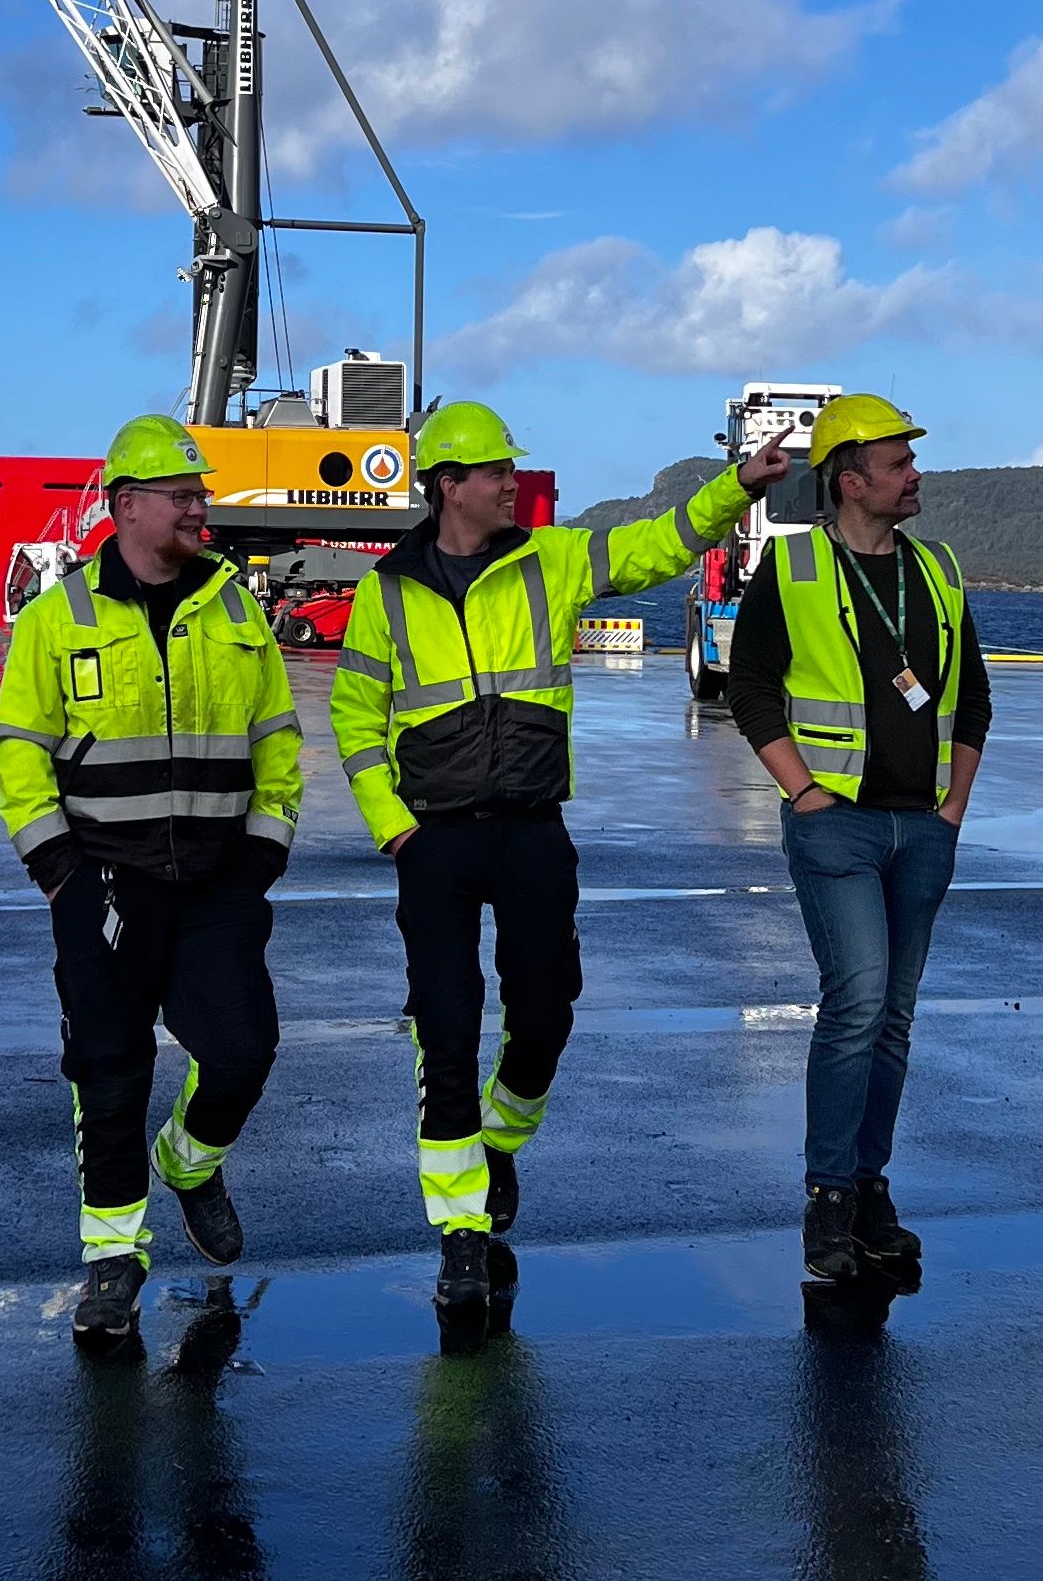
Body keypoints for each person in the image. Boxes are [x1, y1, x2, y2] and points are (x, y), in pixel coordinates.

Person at [330, 397, 803, 1322]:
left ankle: (500, 1142)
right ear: (447, 486)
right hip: (435, 838)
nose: (513, 482)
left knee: (545, 1013)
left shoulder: (553, 560)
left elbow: (657, 545)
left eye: (512, 469)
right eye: (497, 471)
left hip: (533, 831)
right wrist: (394, 827)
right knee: (448, 1028)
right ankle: (461, 1233)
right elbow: (355, 720)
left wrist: (734, 489)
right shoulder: (386, 594)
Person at [0, 416, 305, 1344]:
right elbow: (14, 752)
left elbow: (277, 739)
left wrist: (265, 850)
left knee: (243, 1051)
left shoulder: (237, 610)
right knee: (109, 1072)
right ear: (126, 507)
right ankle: (113, 1262)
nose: (201, 508)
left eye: (200, 494)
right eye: (183, 495)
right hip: (106, 887)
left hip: (217, 885)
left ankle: (192, 1160)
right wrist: (59, 873)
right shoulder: (59, 618)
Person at [723, 393, 990, 1295]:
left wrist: (952, 811)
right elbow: (750, 688)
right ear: (850, 480)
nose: (916, 475)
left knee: (895, 1017)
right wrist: (800, 791)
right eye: (899, 463)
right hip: (834, 822)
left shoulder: (940, 568)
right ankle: (828, 1198)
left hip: (923, 828)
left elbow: (974, 700)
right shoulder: (793, 568)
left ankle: (870, 1188)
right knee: (858, 1001)